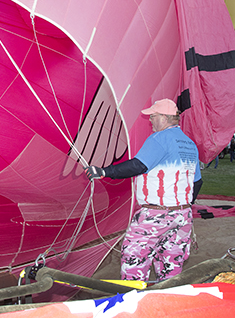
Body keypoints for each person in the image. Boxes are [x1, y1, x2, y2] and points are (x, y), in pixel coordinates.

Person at [84, 99, 197, 282]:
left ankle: (133, 301)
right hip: (183, 216)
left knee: (134, 261)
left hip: (156, 214)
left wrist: (105, 172)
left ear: (165, 117)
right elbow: (197, 182)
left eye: (153, 116)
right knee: (171, 265)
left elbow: (138, 165)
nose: (150, 120)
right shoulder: (189, 144)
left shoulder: (159, 138)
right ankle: (168, 301)